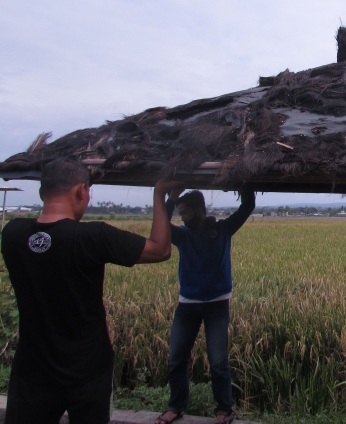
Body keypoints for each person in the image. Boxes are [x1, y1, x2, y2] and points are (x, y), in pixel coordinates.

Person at [1, 158, 178, 424]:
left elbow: (44, 242)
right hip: (87, 370)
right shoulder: (93, 237)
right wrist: (159, 193)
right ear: (81, 191)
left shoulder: (12, 234)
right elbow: (160, 249)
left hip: (32, 369)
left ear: (40, 193)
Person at [156, 185, 255, 424]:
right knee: (177, 358)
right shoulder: (182, 235)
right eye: (180, 213)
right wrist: (171, 199)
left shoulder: (221, 230)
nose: (183, 217)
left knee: (218, 360)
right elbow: (160, 223)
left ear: (200, 210)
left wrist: (243, 184)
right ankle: (176, 407)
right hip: (187, 305)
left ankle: (224, 410)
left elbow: (247, 206)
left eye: (186, 213)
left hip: (217, 305)